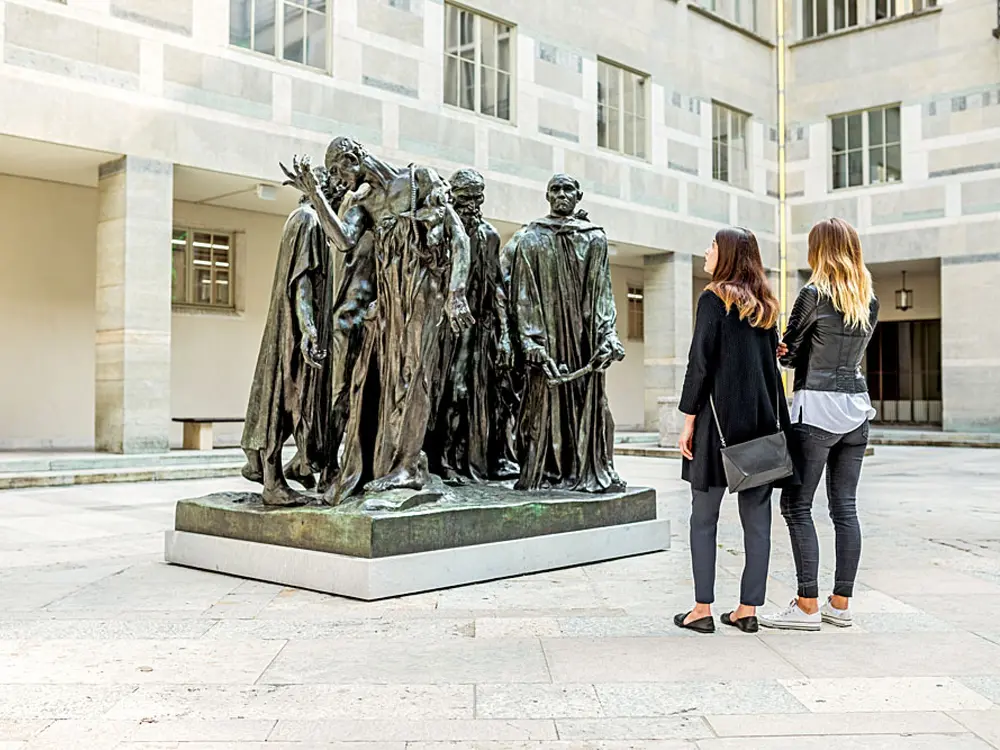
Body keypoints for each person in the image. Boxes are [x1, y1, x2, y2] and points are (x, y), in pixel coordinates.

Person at [285, 137, 475, 503]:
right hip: (390, 298)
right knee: (391, 381)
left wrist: (456, 292)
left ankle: (407, 465)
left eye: (340, 170)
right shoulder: (362, 202)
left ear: (354, 157)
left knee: (415, 376)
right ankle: (392, 463)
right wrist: (315, 193)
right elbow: (342, 241)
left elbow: (457, 235)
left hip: (425, 293)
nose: (339, 180)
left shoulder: (418, 179)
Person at [760, 217, 879, 631]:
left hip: (817, 409)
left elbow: (788, 354)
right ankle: (840, 602)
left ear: (819, 250)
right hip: (857, 408)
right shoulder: (869, 299)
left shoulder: (812, 294)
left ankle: (807, 603)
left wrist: (782, 346)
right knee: (845, 508)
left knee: (796, 506)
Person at [674, 227, 792, 634]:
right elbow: (770, 369)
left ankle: (702, 609)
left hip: (715, 426)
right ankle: (747, 609)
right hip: (759, 427)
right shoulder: (767, 307)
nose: (706, 251)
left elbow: (700, 365)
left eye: (711, 246)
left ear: (725, 254)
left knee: (703, 518)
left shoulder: (712, 299)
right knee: (757, 522)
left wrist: (688, 419)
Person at [507, 173, 626, 493]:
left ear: (579, 195)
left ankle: (590, 470)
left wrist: (608, 336)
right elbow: (522, 294)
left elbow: (602, 292)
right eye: (555, 189)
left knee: (590, 409)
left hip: (583, 344)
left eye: (567, 189)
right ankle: (544, 472)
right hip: (545, 343)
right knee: (542, 410)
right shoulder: (530, 238)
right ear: (547, 195)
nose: (561, 194)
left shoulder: (594, 238)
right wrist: (530, 342)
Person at [241, 165, 341, 507]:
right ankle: (272, 481)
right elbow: (301, 282)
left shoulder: (304, 221)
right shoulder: (308, 221)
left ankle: (298, 467)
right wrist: (308, 330)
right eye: (338, 193)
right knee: (287, 399)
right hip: (296, 330)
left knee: (294, 400)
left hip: (298, 327)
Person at [425, 169, 517, 482]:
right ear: (452, 195)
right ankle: (435, 459)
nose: (472, 204)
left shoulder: (489, 235)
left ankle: (459, 459)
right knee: (440, 393)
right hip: (438, 328)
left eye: (478, 197)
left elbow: (497, 287)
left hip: (475, 331)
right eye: (466, 197)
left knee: (466, 394)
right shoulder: (438, 230)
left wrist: (504, 336)